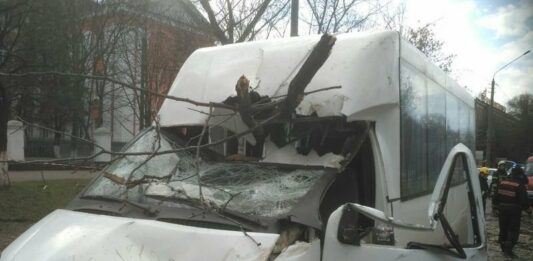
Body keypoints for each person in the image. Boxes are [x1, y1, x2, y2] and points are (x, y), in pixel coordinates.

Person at [494, 166, 529, 257]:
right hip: (514, 211)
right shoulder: (519, 185)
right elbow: (524, 200)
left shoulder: (503, 182)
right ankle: (508, 251)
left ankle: (503, 248)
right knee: (512, 230)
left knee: (503, 228)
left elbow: (496, 196)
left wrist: (495, 207)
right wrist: (528, 210)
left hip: (502, 209)